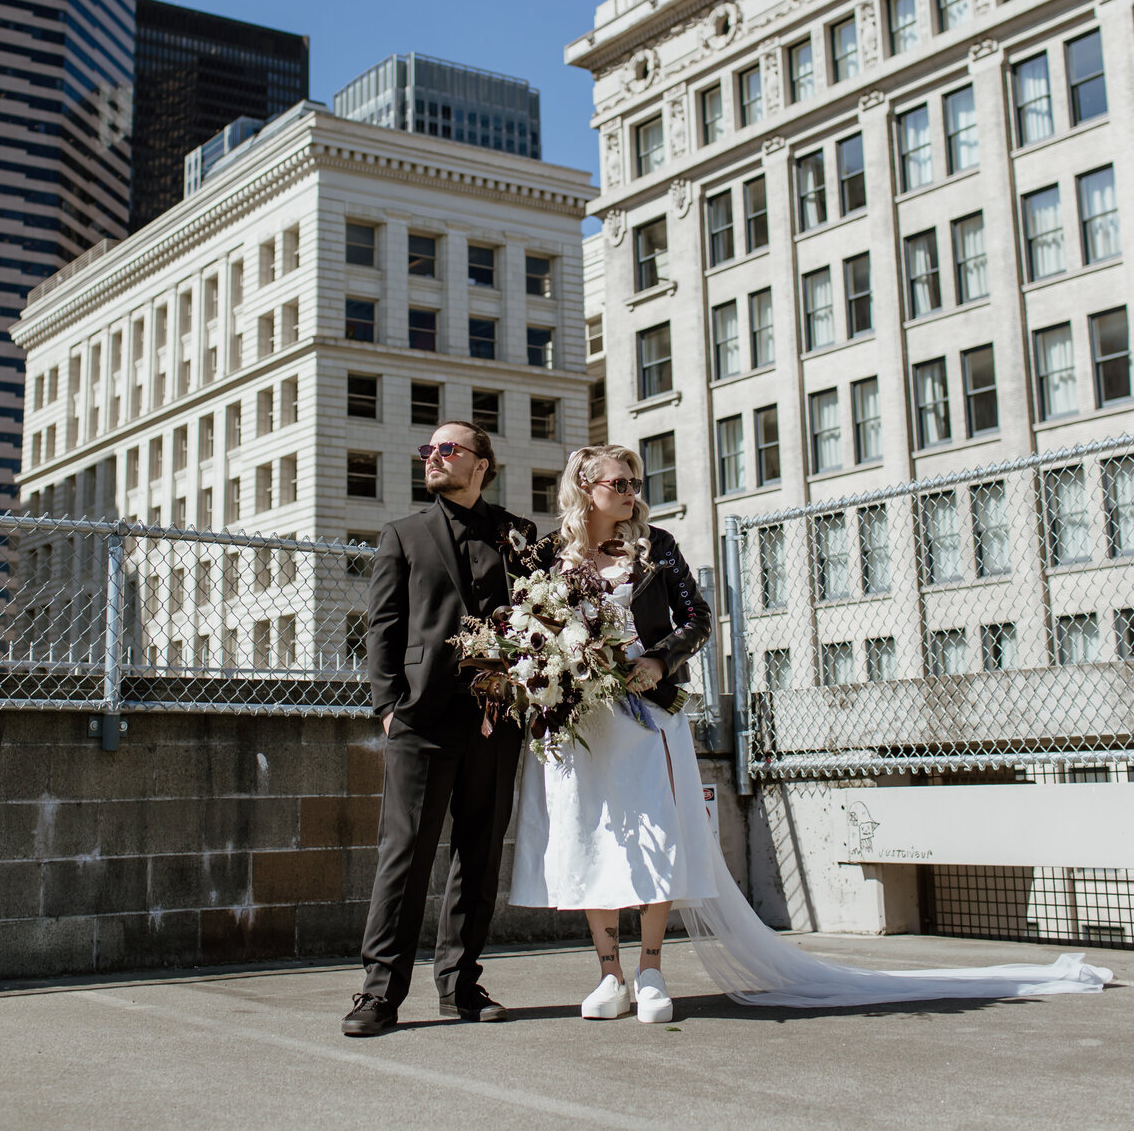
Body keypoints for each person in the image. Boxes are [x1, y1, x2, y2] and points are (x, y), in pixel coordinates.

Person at [510, 445, 1113, 1018]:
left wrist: (660, 661)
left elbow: (696, 619)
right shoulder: (550, 558)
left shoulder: (656, 545)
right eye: (618, 483)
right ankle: (609, 975)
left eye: (636, 484)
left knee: (659, 841)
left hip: (649, 717)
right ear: (585, 489)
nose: (631, 493)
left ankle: (651, 972)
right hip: (586, 722)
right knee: (593, 841)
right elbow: (532, 630)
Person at [341, 421, 552, 1037]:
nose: (433, 457)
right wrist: (389, 705)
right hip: (422, 719)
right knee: (403, 856)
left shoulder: (519, 535)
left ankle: (460, 984)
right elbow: (382, 626)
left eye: (448, 449)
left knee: (480, 855)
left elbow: (541, 615)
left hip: (495, 721)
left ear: (482, 463)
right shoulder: (402, 534)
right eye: (428, 450)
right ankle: (379, 993)